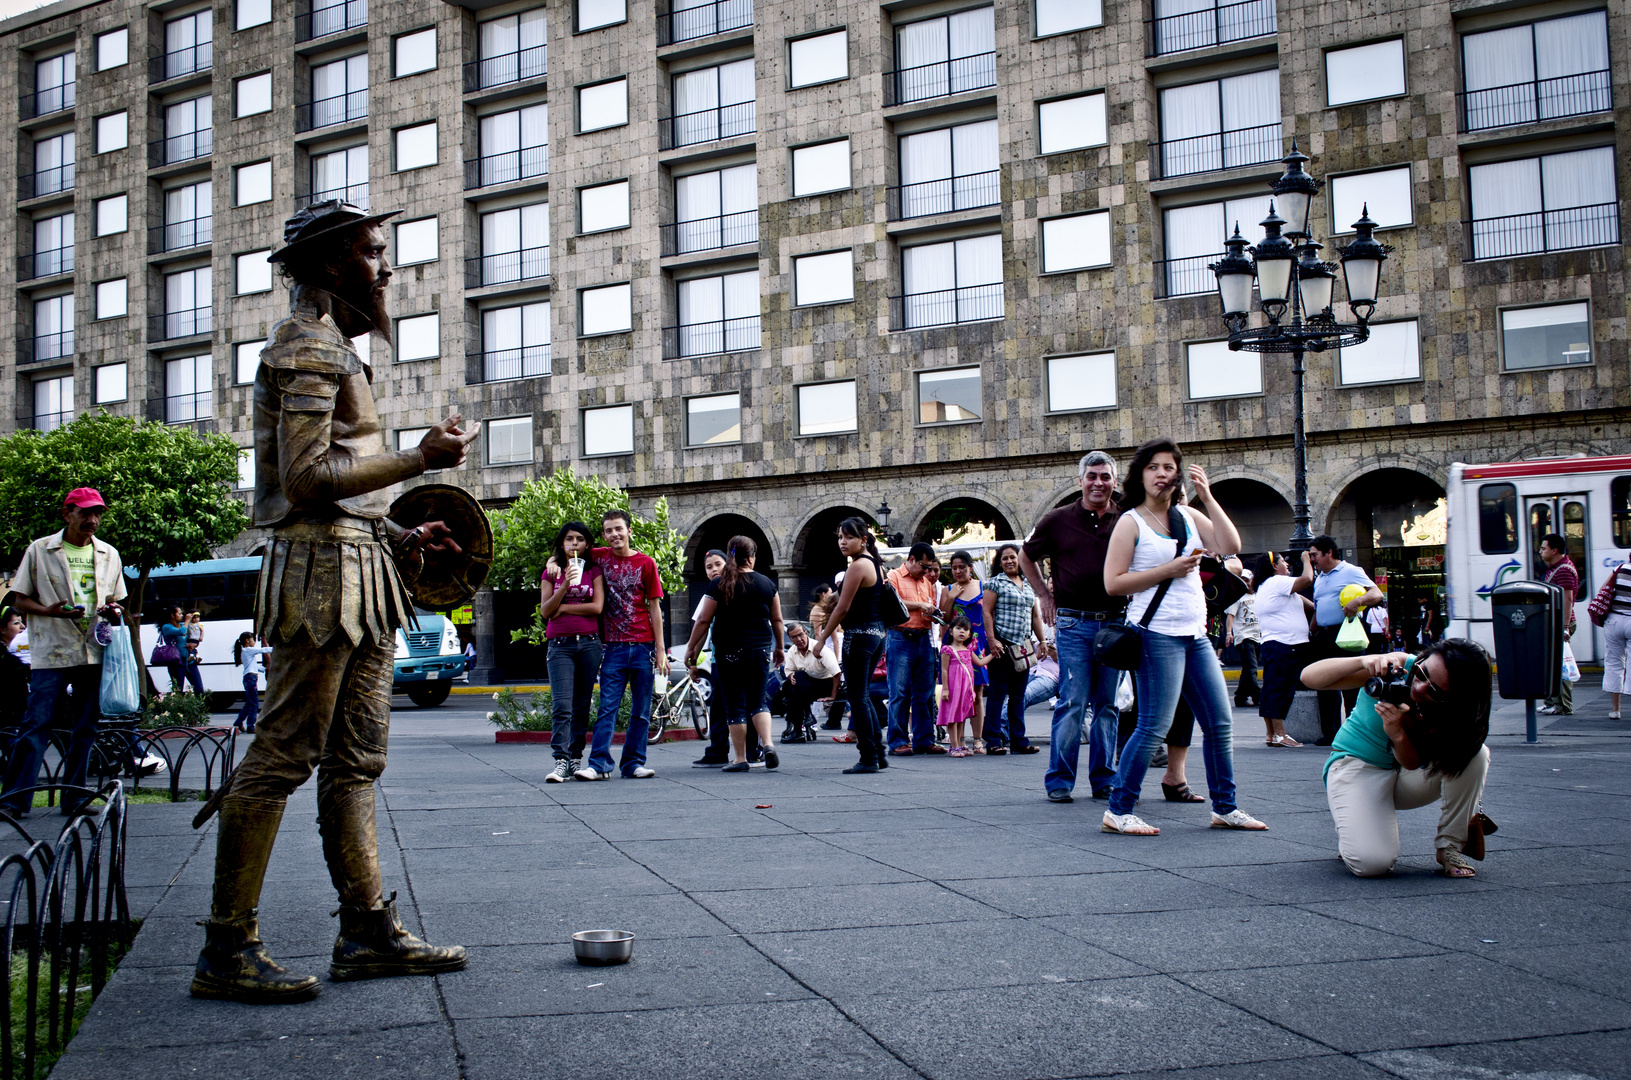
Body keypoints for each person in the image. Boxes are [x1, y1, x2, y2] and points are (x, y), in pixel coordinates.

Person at [192, 200, 472, 1003]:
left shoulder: (336, 350)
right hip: (319, 574)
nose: (385, 268)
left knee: (356, 758)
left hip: (359, 564)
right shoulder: (308, 348)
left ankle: (366, 930)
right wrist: (419, 457)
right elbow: (307, 481)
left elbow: (340, 490)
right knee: (283, 754)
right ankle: (226, 947)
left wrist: (398, 533)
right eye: (371, 251)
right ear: (326, 264)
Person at [1100, 438, 1267, 836]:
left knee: (1219, 722)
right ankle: (1118, 809)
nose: (1162, 474)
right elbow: (1113, 583)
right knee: (1154, 725)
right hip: (1157, 634)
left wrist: (1207, 497)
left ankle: (1225, 807)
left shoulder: (1188, 516)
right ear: (1141, 475)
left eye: (1169, 467)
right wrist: (1168, 570)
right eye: (1154, 467)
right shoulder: (1131, 522)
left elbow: (1229, 546)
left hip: (1194, 633)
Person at [1302, 640, 1494, 878]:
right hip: (1358, 767)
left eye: (1434, 691)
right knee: (1371, 864)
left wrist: (1397, 734)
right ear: (1423, 658)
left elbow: (1411, 763)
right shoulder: (1398, 667)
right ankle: (1354, 825)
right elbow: (1309, 677)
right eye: (1423, 673)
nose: (1420, 687)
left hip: (1405, 773)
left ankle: (1450, 846)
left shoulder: (1453, 712)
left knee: (1474, 752)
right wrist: (1362, 661)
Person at [0, 488, 128, 819]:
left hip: (92, 650)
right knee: (36, 722)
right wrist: (50, 611)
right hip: (52, 649)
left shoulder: (109, 553)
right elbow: (17, 598)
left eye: (97, 513)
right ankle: (14, 800)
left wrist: (113, 609)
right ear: (66, 514)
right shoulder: (40, 550)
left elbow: (116, 597)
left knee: (85, 726)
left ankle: (74, 798)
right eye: (85, 512)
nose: (92, 519)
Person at [1020, 450, 1123, 804]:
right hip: (1073, 622)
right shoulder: (1058, 519)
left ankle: (1104, 780)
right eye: (1092, 476)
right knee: (1072, 701)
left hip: (1114, 624)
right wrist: (1044, 595)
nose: (1098, 483)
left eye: (1105, 476)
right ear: (1080, 481)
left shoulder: (1126, 516)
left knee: (1108, 705)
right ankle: (1060, 781)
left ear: (1114, 480)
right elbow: (1025, 555)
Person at [578, 509, 668, 781]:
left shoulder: (646, 563)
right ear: (604, 535)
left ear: (629, 531)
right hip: (612, 647)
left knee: (641, 710)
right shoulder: (598, 556)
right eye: (609, 531)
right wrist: (553, 562)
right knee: (608, 708)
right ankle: (598, 765)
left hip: (643, 645)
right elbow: (568, 549)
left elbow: (655, 608)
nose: (614, 534)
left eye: (619, 529)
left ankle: (633, 763)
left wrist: (661, 649)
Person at [685, 536, 783, 773]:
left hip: (729, 653)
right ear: (751, 557)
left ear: (730, 557)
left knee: (736, 706)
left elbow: (703, 620)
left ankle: (740, 759)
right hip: (759, 650)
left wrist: (690, 647)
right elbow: (777, 619)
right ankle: (767, 744)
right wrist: (779, 646)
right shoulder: (766, 583)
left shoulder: (719, 584)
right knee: (758, 702)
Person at [812, 518, 888, 774]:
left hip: (859, 637)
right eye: (839, 537)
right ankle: (878, 753)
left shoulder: (858, 566)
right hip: (876, 635)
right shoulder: (875, 565)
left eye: (849, 537)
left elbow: (843, 608)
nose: (843, 542)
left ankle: (868, 757)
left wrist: (822, 638)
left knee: (858, 699)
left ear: (863, 539)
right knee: (863, 697)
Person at [540, 522, 605, 783]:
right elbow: (546, 611)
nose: (574, 543)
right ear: (562, 544)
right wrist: (565, 585)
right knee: (562, 704)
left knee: (581, 704)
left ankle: (576, 757)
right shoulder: (551, 573)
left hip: (589, 642)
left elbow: (597, 607)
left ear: (587, 544)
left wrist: (564, 609)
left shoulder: (594, 570)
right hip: (560, 645)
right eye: (569, 539)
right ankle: (560, 760)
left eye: (579, 539)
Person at [1307, 536, 1384, 746]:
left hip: (1345, 634)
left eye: (1314, 554)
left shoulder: (1351, 571)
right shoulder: (1320, 577)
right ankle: (1330, 733)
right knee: (1325, 683)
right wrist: (1312, 629)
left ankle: (1353, 732)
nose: (1312, 559)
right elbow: (1319, 606)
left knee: (1351, 685)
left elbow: (1376, 593)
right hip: (1323, 635)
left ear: (1328, 552)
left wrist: (1358, 601)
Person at [981, 544, 1044, 756]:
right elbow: (987, 613)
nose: (1009, 561)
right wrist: (991, 640)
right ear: (1000, 562)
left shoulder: (1028, 585)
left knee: (1018, 695)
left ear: (1019, 561)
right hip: (1001, 642)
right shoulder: (994, 583)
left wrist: (1042, 641)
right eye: (1005, 558)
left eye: (1013, 557)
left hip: (1024, 645)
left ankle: (1019, 740)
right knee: (998, 693)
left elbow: (1035, 616)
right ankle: (992, 740)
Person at [1252, 551, 1315, 748]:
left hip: (1277, 644)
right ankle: (1280, 735)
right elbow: (1306, 580)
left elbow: (1312, 606)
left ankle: (1271, 734)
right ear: (1274, 566)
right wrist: (1306, 560)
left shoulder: (1269, 587)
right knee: (1281, 689)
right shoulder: (1276, 582)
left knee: (1272, 688)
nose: (1287, 565)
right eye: (1283, 562)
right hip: (1286, 644)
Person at [885, 544, 942, 756]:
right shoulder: (894, 576)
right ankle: (898, 741)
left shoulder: (926, 582)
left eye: (929, 567)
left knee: (925, 692)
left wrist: (934, 612)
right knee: (899, 692)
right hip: (900, 637)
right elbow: (891, 603)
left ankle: (924, 739)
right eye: (924, 566)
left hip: (923, 637)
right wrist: (920, 606)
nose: (927, 571)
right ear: (911, 559)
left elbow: (928, 607)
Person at [939, 550, 991, 752]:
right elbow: (943, 618)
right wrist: (951, 597)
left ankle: (977, 739)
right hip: (954, 646)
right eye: (954, 568)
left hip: (978, 644)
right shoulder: (948, 589)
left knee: (976, 693)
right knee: (956, 692)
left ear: (971, 567)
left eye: (962, 567)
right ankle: (958, 740)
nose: (958, 571)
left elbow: (989, 614)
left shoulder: (983, 586)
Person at [1538, 533, 1579, 716]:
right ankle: (1551, 702)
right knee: (1552, 664)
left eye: (1544, 548)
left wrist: (1564, 627)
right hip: (1555, 623)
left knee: (1560, 664)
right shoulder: (1556, 568)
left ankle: (1562, 705)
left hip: (1561, 624)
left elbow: (1567, 599)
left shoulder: (1563, 570)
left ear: (1554, 550)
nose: (1540, 551)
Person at [936, 614, 988, 756]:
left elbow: (980, 663)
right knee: (953, 716)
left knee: (961, 716)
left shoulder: (968, 649)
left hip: (965, 689)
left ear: (970, 634)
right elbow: (944, 670)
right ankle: (954, 746)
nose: (962, 632)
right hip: (953, 688)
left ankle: (960, 744)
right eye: (958, 628)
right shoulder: (947, 650)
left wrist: (994, 653)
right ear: (951, 631)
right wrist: (945, 689)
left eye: (966, 629)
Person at [780, 623, 839, 743]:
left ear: (806, 633)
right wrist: (791, 676)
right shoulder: (792, 650)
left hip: (825, 684)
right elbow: (789, 670)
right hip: (806, 686)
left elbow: (837, 673)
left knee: (797, 685)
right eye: (794, 637)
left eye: (801, 635)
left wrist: (832, 696)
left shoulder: (819, 648)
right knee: (790, 685)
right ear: (790, 639)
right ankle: (805, 718)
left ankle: (798, 729)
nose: (799, 639)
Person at [1595, 560, 1630, 720]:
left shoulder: (1621, 568)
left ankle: (1616, 709)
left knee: (1614, 663)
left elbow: (1603, 590)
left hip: (1614, 621)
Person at [1225, 566, 1261, 708]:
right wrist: (1229, 633)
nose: (1246, 583)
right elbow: (1230, 616)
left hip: (1257, 636)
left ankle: (1240, 697)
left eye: (1248, 580)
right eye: (1243, 580)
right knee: (1252, 668)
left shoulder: (1258, 596)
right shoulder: (1238, 596)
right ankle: (1258, 696)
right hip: (1244, 636)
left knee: (1247, 669)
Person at [232, 633, 272, 733]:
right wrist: (279, 648)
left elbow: (254, 666)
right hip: (251, 679)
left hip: (249, 678)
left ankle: (238, 722)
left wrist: (264, 669)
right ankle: (251, 725)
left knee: (249, 703)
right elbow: (264, 650)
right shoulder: (247, 650)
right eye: (253, 640)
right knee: (254, 704)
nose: (254, 642)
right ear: (247, 640)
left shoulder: (244, 651)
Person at [160, 606, 203, 695]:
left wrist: (195, 644)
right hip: (177, 663)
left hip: (189, 662)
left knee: (199, 688)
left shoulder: (183, 625)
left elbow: (193, 637)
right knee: (178, 690)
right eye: (179, 614)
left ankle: (199, 707)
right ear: (172, 615)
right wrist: (187, 621)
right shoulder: (167, 627)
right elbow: (181, 632)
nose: (182, 615)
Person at [0, 607, 29, 731]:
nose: (22, 627)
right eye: (16, 623)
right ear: (2, 629)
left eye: (22, 622)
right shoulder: (5, 658)